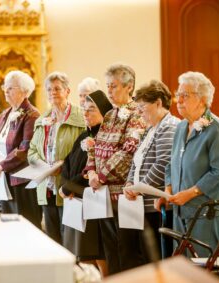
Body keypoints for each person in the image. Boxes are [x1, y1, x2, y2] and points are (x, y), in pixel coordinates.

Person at [155, 71, 219, 257]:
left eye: (185, 95)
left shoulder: (217, 129)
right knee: (182, 268)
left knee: (201, 269)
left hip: (207, 212)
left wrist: (189, 194)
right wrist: (167, 192)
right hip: (181, 210)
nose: (178, 100)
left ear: (202, 99)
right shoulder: (181, 127)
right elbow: (170, 164)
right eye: (178, 95)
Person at [84, 63, 147, 274]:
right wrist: (91, 172)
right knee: (110, 250)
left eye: (114, 86)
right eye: (108, 86)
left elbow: (128, 151)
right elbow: (94, 145)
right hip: (102, 194)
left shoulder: (137, 114)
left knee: (126, 251)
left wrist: (100, 176)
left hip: (123, 195)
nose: (109, 91)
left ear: (129, 87)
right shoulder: (110, 115)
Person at [123, 80, 180, 258]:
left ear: (158, 103)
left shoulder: (169, 126)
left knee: (157, 258)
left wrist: (139, 189)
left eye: (142, 107)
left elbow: (163, 162)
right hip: (143, 203)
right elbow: (136, 161)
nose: (139, 113)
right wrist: (130, 183)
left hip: (158, 204)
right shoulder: (150, 129)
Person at [59, 90, 113, 277]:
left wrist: (69, 187)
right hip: (75, 199)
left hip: (93, 199)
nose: (86, 113)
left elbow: (90, 170)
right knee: (82, 253)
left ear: (104, 112)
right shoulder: (84, 136)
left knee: (97, 251)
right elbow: (68, 162)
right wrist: (64, 186)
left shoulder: (106, 136)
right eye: (84, 109)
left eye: (91, 109)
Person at [27, 71, 85, 244]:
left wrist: (63, 168)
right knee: (52, 238)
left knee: (71, 239)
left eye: (57, 89)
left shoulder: (80, 118)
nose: (53, 92)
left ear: (67, 91)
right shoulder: (42, 119)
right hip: (46, 188)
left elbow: (82, 154)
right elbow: (32, 151)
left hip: (69, 188)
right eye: (49, 89)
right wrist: (44, 167)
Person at [0, 70, 42, 228]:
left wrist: (1, 165)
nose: (5, 90)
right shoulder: (5, 113)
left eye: (11, 88)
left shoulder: (32, 114)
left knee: (26, 223)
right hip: (3, 177)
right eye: (5, 86)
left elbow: (25, 149)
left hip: (22, 180)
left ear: (24, 91)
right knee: (8, 222)